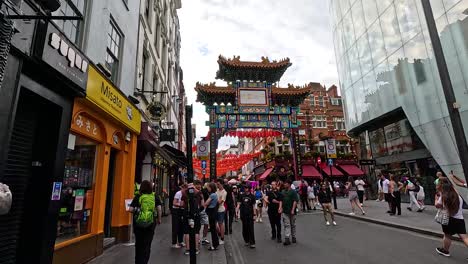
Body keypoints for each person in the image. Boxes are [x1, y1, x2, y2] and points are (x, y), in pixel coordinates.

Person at [129, 180, 161, 264]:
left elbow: (131, 209)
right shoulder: (154, 196)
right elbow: (159, 209)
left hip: (138, 224)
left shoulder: (138, 196)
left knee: (139, 244)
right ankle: (144, 261)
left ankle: (138, 262)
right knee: (147, 244)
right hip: (150, 223)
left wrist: (137, 210)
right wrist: (159, 219)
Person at [435, 178, 468, 258]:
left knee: (447, 235)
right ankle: (444, 250)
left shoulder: (444, 196)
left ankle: (445, 251)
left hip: (449, 219)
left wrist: (436, 198)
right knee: (464, 237)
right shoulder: (458, 196)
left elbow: (437, 205)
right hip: (460, 219)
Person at [181, 182, 204, 255]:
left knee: (187, 232)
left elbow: (181, 205)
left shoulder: (184, 193)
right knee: (196, 231)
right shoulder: (199, 193)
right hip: (196, 214)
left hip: (186, 214)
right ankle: (196, 249)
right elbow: (202, 205)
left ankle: (188, 249)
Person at [237, 184, 256, 248]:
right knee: (244, 229)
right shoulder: (242, 196)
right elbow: (239, 204)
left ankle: (252, 243)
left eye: (247, 188)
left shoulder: (252, 196)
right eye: (245, 188)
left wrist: (254, 215)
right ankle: (247, 241)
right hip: (243, 214)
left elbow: (253, 206)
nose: (245, 189)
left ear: (249, 188)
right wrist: (237, 212)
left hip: (250, 214)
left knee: (251, 229)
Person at [282, 180, 299, 246]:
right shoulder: (283, 192)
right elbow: (281, 200)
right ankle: (287, 238)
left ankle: (293, 236)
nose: (284, 185)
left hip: (292, 211)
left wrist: (292, 209)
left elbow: (295, 201)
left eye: (285, 183)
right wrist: (280, 208)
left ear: (289, 184)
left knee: (293, 224)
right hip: (285, 211)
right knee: (287, 224)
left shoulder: (293, 192)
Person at [204, 182, 219, 251]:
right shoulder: (215, 194)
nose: (208, 189)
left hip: (212, 213)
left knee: (213, 229)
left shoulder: (212, 195)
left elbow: (206, 203)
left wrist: (205, 203)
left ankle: (214, 245)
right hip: (214, 212)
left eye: (209, 187)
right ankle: (216, 243)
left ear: (211, 188)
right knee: (213, 229)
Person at [172, 183, 187, 248]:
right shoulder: (178, 193)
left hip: (182, 210)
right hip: (176, 210)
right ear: (182, 188)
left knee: (181, 226)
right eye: (185, 189)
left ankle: (180, 241)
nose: (185, 191)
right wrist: (180, 205)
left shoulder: (185, 194)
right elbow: (174, 203)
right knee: (175, 226)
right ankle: (174, 243)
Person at [216, 179, 227, 244]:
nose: (217, 185)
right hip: (215, 210)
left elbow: (220, 202)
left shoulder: (224, 192)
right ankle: (220, 233)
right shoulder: (216, 191)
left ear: (222, 184)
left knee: (220, 224)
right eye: (217, 184)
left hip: (221, 210)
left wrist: (216, 200)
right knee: (214, 224)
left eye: (218, 184)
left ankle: (222, 238)